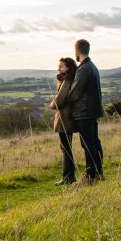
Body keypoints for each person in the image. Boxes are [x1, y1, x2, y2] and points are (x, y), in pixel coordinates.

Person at [68, 38, 104, 182]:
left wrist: (64, 100)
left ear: (77, 51)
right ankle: (98, 172)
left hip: (84, 112)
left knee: (88, 144)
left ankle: (91, 175)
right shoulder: (92, 66)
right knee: (94, 142)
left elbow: (75, 92)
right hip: (92, 110)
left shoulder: (83, 69)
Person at [49, 57, 78, 185]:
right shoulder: (68, 80)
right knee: (66, 147)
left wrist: (51, 105)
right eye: (58, 66)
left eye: (61, 66)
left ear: (68, 68)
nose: (58, 68)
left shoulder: (67, 81)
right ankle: (68, 177)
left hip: (65, 118)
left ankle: (68, 177)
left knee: (66, 148)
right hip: (67, 117)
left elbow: (59, 101)